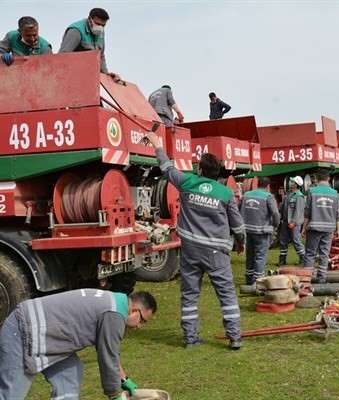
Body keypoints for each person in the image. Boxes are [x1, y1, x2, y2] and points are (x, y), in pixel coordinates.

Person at [145, 131, 245, 350]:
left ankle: (190, 338)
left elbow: (166, 168)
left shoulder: (187, 182)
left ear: (200, 169)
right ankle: (235, 337)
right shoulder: (225, 193)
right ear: (218, 172)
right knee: (226, 294)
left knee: (190, 295)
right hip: (217, 252)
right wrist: (240, 242)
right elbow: (237, 225)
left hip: (190, 250)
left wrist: (157, 145)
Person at [0, 289, 156, 400]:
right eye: (142, 320)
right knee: (11, 394)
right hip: (23, 331)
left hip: (47, 337)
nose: (139, 326)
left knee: (70, 375)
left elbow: (110, 352)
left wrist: (124, 379)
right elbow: (108, 357)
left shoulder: (115, 302)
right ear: (134, 310)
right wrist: (115, 394)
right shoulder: (114, 315)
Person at [59, 8, 120, 81]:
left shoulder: (100, 33)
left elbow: (101, 56)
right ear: (89, 19)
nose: (100, 27)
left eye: (103, 25)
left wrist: (105, 74)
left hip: (88, 76)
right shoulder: (75, 31)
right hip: (72, 75)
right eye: (98, 24)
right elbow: (62, 57)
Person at [240, 177, 280, 285]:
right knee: (260, 256)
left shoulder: (246, 195)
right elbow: (275, 214)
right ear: (268, 186)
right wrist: (275, 225)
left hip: (248, 230)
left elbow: (239, 209)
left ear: (257, 184)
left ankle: (249, 278)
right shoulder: (268, 196)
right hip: (262, 231)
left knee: (250, 255)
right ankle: (257, 281)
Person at [303, 170, 339, 283]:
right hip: (329, 228)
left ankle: (307, 278)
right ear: (328, 179)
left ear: (317, 179)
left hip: (314, 227)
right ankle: (321, 278)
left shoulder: (312, 191)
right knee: (324, 254)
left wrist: (304, 228)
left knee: (310, 253)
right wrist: (337, 229)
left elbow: (307, 212)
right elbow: (337, 213)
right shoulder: (334, 193)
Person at [279, 176, 306, 266]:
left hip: (294, 223)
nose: (290, 183)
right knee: (283, 241)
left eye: (292, 182)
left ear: (296, 184)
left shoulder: (299, 196)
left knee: (296, 241)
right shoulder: (288, 195)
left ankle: (303, 258)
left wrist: (293, 222)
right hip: (285, 222)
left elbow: (299, 211)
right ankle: (282, 260)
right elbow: (282, 208)